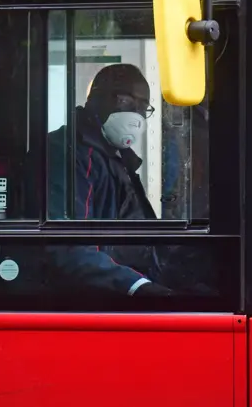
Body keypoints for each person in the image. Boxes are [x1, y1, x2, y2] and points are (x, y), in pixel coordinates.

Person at [26, 63, 173, 296]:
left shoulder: (118, 159)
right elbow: (68, 248)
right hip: (98, 298)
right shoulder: (66, 153)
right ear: (95, 99)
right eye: (125, 100)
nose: (135, 114)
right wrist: (138, 288)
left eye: (143, 107)